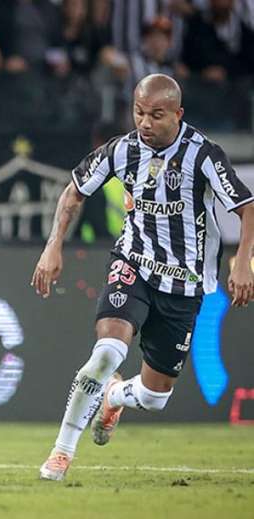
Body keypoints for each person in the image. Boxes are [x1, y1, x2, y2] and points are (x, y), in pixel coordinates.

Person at [31, 73, 254, 481]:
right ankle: (61, 453)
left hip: (185, 284)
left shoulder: (203, 154)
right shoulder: (121, 150)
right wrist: (53, 245)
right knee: (106, 353)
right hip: (133, 265)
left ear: (178, 114)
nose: (145, 123)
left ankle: (114, 396)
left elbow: (246, 205)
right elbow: (74, 191)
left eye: (156, 115)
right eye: (138, 113)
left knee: (154, 398)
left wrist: (242, 260)